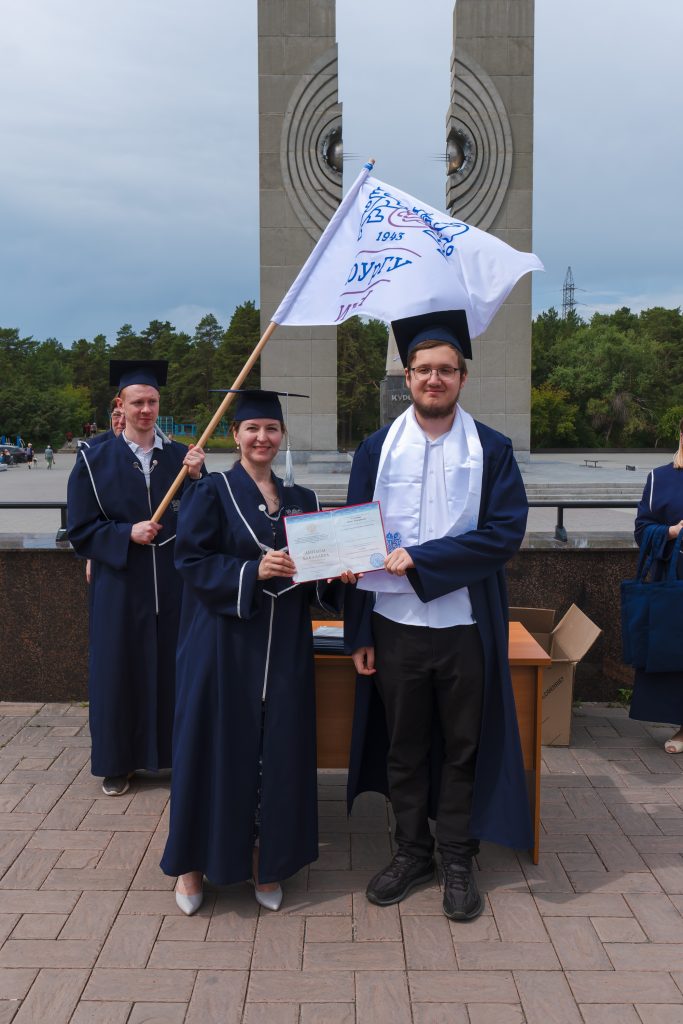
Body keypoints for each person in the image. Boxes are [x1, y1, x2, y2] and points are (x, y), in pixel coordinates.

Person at [344, 309, 531, 923]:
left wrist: (422, 559)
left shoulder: (492, 449)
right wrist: (357, 627)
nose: (434, 379)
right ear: (407, 376)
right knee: (404, 745)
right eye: (423, 369)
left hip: (464, 627)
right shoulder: (376, 449)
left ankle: (456, 856)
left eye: (446, 369)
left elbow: (503, 535)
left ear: (462, 378)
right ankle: (412, 852)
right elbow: (353, 534)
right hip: (394, 625)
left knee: (461, 746)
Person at [161, 390, 341, 915]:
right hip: (221, 645)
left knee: (276, 754)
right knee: (210, 749)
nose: (263, 438)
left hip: (283, 649)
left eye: (271, 429)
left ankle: (269, 860)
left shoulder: (304, 499)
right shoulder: (211, 492)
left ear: (282, 435)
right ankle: (192, 865)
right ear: (235, 435)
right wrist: (250, 570)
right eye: (252, 429)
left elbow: (315, 574)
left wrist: (337, 572)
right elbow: (190, 561)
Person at [67, 360, 205, 796]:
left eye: (152, 402)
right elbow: (80, 530)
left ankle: (176, 757)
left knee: (175, 669)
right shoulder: (93, 460)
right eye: (137, 402)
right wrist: (126, 533)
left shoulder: (181, 458)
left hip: (173, 584)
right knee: (118, 670)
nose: (146, 410)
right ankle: (118, 762)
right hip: (120, 585)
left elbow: (205, 520)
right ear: (120, 406)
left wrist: (198, 479)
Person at [629, 417, 683, 752]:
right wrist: (672, 532)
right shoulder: (660, 478)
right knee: (678, 652)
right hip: (675, 578)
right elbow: (642, 530)